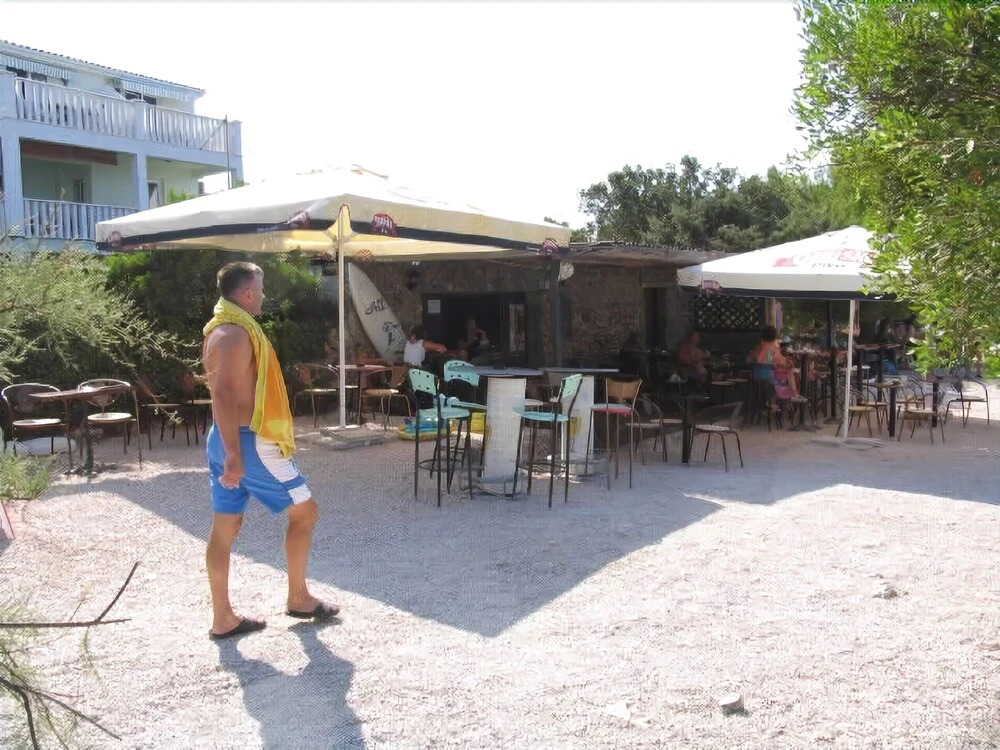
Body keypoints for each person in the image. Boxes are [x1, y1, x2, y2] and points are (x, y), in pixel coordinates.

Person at [201, 262, 337, 640]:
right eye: (260, 290)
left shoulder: (220, 329)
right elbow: (223, 393)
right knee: (306, 511)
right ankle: (298, 597)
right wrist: (234, 454)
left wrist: (228, 449)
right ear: (246, 294)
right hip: (247, 442)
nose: (263, 296)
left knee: (226, 526)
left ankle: (223, 619)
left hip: (227, 438)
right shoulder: (233, 334)